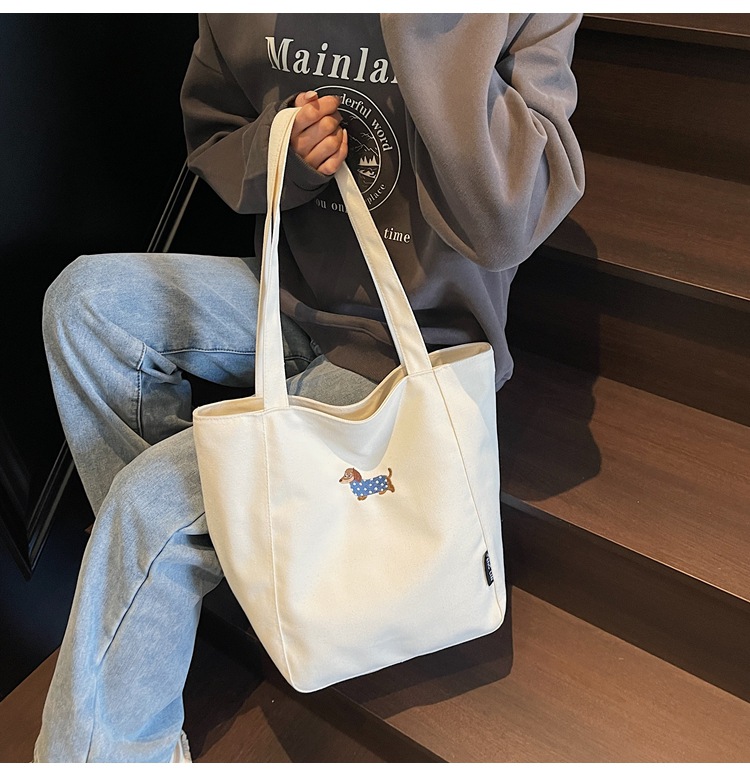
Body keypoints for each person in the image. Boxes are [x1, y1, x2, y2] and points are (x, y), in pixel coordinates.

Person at [34, 13, 585, 762]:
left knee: (148, 504)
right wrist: (285, 157)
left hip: (413, 344)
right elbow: (214, 135)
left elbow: (507, 223)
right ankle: (234, 554)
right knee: (85, 305)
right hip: (291, 298)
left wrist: (431, 29)